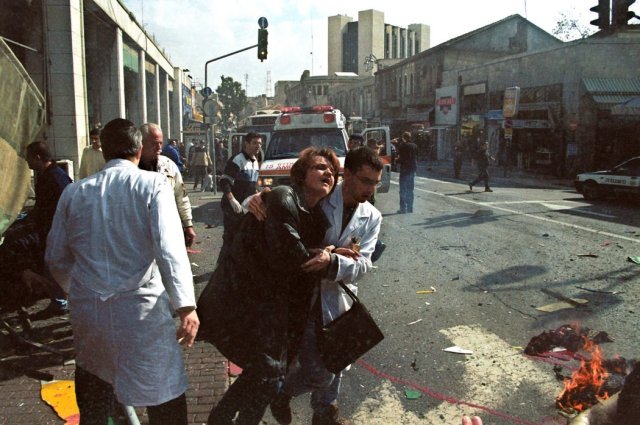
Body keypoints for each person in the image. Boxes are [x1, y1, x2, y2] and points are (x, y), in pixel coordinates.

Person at [45, 118, 199, 425]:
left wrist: (77, 289)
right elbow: (170, 249)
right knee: (163, 391)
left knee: (95, 384)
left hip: (90, 311)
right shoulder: (152, 184)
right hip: (141, 312)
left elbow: (55, 257)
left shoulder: (74, 193)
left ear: (103, 151)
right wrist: (186, 306)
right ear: (140, 150)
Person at [199, 147, 340, 425]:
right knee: (269, 377)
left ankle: (222, 419)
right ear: (301, 174)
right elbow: (291, 257)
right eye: (320, 168)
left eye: (333, 172)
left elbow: (300, 253)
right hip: (245, 301)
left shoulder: (315, 216)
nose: (328, 174)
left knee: (264, 376)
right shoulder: (283, 197)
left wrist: (328, 250)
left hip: (271, 306)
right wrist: (327, 256)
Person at [250, 147, 383, 425]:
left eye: (375, 183)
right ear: (347, 174)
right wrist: (256, 198)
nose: (370, 189)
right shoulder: (323, 195)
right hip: (304, 295)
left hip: (337, 297)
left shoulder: (372, 217)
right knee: (322, 369)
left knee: (336, 359)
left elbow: (363, 265)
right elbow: (282, 202)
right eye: (365, 181)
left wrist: (331, 260)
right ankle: (283, 392)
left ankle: (324, 414)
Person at [0, 141, 71, 315]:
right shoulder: (50, 176)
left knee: (51, 265)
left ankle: (59, 301)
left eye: (29, 158)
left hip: (54, 231)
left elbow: (65, 206)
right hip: (49, 230)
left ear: (38, 157)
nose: (28, 162)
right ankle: (57, 300)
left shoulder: (55, 178)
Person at [139, 123, 196, 248]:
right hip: (140, 231)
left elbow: (181, 197)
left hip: (168, 227)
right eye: (154, 143)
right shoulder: (132, 168)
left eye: (160, 143)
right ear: (141, 143)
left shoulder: (168, 165)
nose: (159, 147)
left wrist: (188, 225)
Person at [216, 132, 262, 264]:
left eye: (259, 143)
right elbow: (224, 182)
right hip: (233, 206)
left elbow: (252, 184)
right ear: (246, 144)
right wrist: (232, 200)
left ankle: (236, 265)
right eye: (254, 143)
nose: (257, 146)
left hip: (246, 206)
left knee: (244, 236)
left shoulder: (255, 161)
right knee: (231, 236)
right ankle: (221, 267)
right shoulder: (237, 160)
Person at [396, 131, 417, 213]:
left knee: (403, 189)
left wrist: (396, 160)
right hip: (413, 168)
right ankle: (410, 207)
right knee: (410, 189)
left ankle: (403, 208)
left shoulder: (403, 146)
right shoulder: (415, 146)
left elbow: (401, 158)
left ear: (403, 137)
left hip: (405, 169)